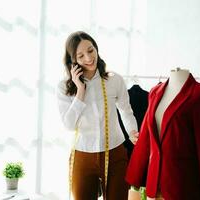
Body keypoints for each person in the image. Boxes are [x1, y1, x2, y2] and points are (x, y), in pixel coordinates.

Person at [57, 31, 139, 200]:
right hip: (83, 154)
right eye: (80, 55)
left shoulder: (114, 80)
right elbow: (69, 125)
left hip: (115, 152)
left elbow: (125, 110)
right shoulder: (64, 87)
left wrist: (132, 132)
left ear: (96, 48)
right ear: (72, 60)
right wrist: (80, 90)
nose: (88, 58)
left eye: (91, 50)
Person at [126, 68, 200, 200]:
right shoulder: (154, 92)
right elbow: (146, 136)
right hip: (154, 183)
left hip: (182, 186)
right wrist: (135, 175)